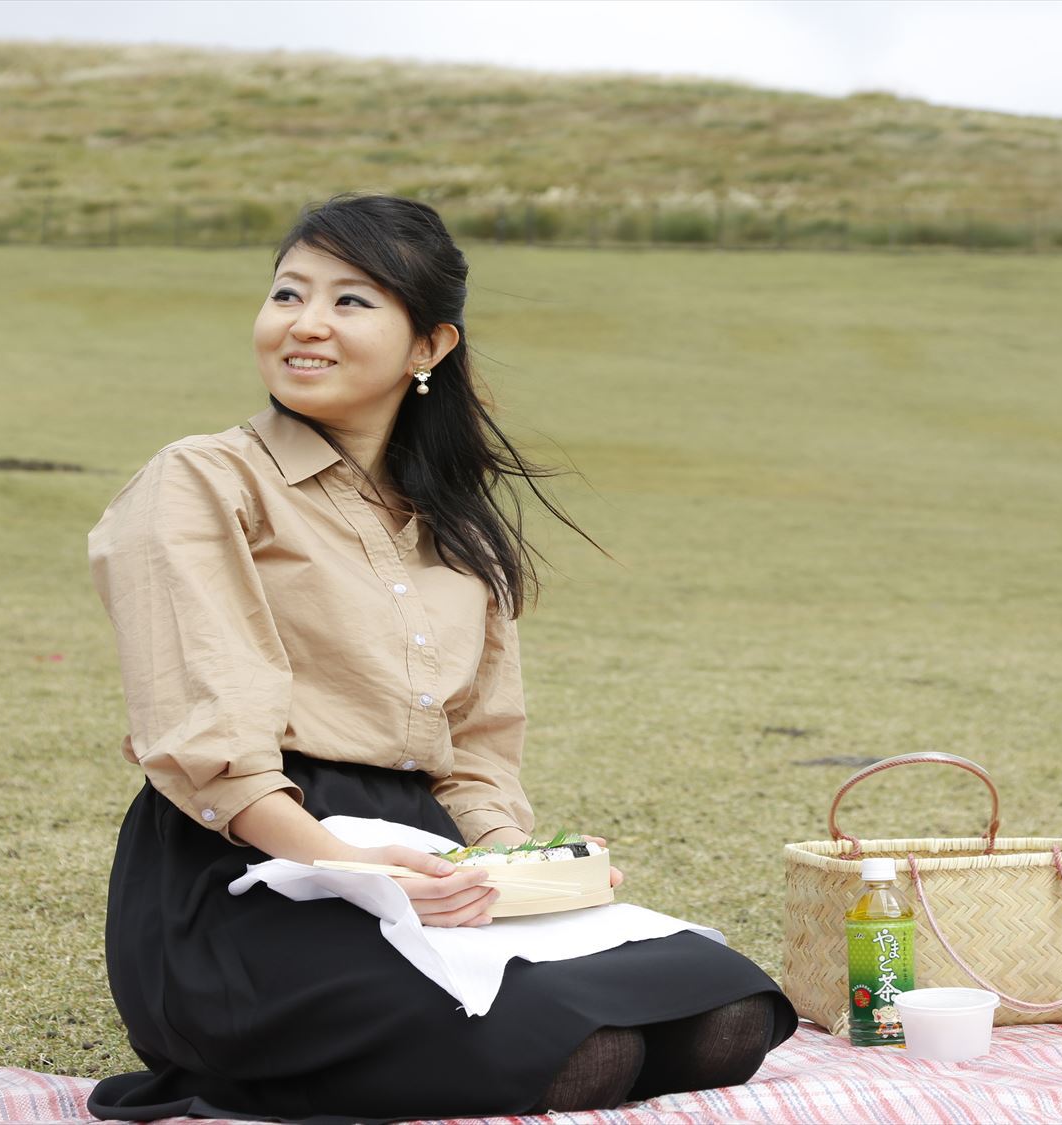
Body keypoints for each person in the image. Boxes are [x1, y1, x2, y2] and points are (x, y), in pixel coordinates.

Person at [84, 193, 794, 1121]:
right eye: (288, 293)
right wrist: (351, 865)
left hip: (431, 863)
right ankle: (244, 1068)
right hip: (249, 869)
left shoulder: (458, 528)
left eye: (351, 301)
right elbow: (207, 735)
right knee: (589, 1050)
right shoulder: (203, 479)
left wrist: (523, 865)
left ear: (430, 348)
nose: (304, 324)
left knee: (729, 1009)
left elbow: (476, 754)